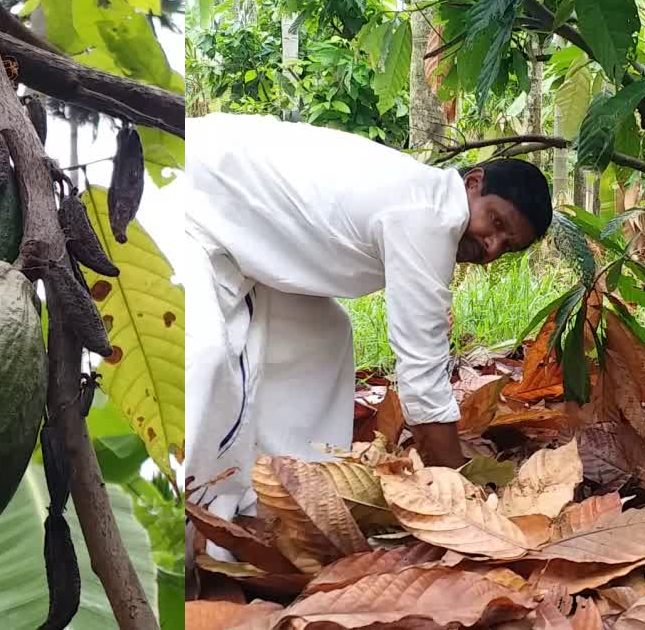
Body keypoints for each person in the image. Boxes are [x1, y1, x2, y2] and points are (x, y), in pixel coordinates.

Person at [181, 113, 553, 558]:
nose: (492, 246)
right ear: (472, 184)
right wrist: (462, 501)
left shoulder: (422, 197)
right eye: (495, 222)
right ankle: (193, 520)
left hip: (243, 230)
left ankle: (291, 507)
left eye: (507, 245)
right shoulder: (431, 216)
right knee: (203, 357)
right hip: (196, 198)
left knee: (324, 335)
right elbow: (422, 381)